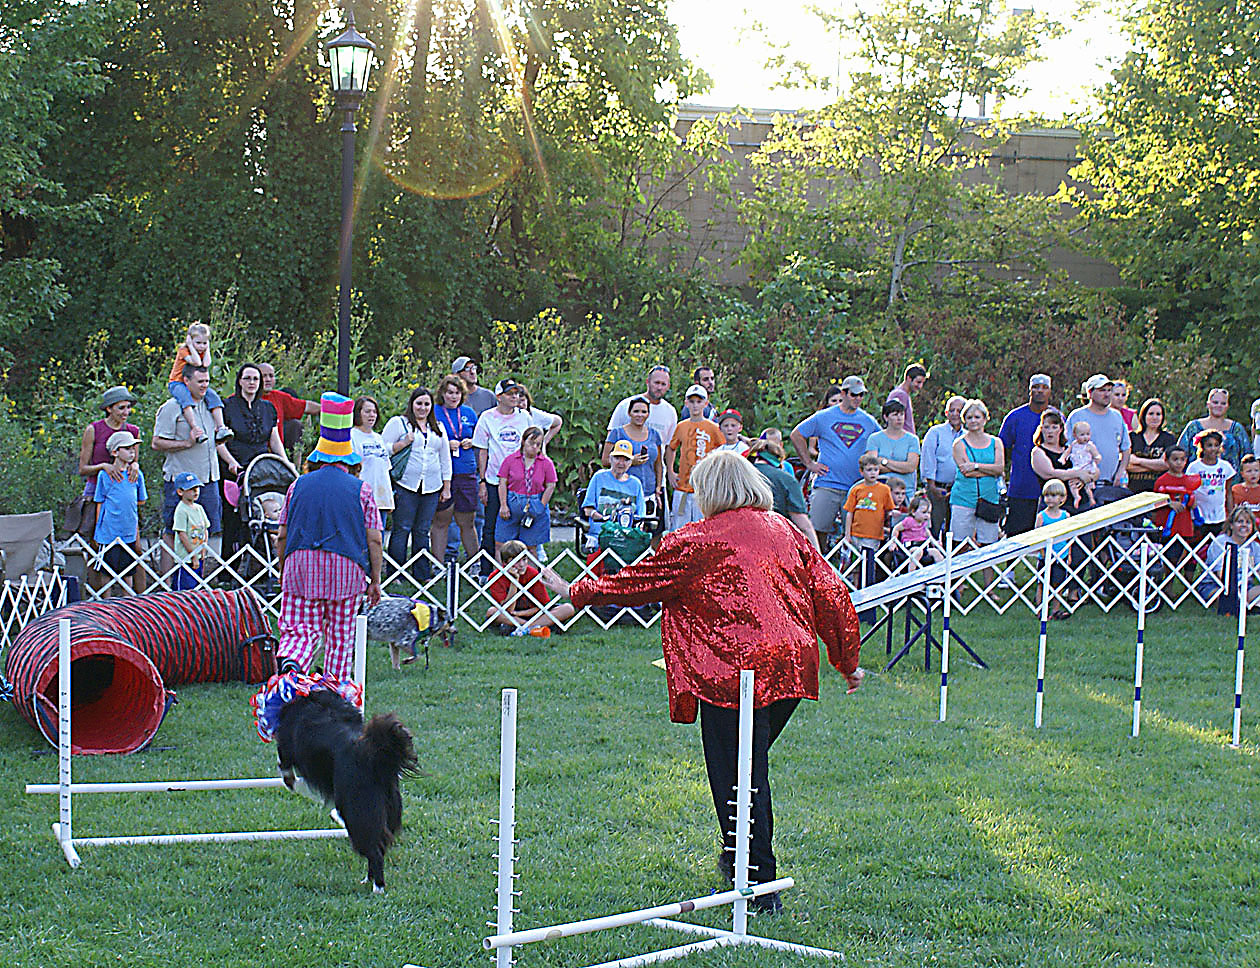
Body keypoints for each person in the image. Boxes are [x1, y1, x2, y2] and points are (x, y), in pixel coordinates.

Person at [537, 451, 864, 913]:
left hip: (735, 670)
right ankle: (739, 866)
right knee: (746, 769)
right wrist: (846, 659)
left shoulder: (697, 539)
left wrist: (576, 590)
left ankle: (757, 886)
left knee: (738, 775)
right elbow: (830, 592)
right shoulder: (785, 530)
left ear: (709, 491)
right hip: (790, 663)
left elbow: (638, 583)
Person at [275, 394, 383, 680]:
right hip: (346, 571)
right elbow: (374, 539)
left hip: (300, 566)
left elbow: (282, 534)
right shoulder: (362, 490)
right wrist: (375, 578)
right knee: (340, 636)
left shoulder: (297, 485)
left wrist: (282, 567)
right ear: (349, 461)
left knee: (299, 629)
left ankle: (293, 667)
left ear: (318, 458)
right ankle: (332, 688)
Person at [153, 365, 230, 576]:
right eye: (200, 381)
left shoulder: (211, 407)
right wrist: (186, 443)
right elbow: (156, 442)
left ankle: (196, 582)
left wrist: (231, 461)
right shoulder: (172, 407)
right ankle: (167, 585)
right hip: (181, 480)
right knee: (173, 530)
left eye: (206, 381)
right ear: (186, 382)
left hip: (209, 479)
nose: (205, 385)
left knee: (203, 530)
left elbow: (216, 443)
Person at [790, 375, 881, 547]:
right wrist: (809, 464)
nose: (858, 399)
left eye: (861, 395)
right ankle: (816, 567)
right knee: (816, 532)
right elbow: (797, 434)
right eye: (854, 395)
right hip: (827, 483)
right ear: (844, 393)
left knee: (855, 536)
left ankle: (852, 573)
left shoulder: (868, 421)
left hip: (856, 487)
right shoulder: (824, 417)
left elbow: (881, 440)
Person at [382, 388, 452, 583]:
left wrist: (446, 486)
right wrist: (403, 443)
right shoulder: (399, 423)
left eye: (426, 404)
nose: (422, 408)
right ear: (412, 404)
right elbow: (383, 448)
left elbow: (445, 458)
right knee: (402, 527)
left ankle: (421, 574)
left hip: (431, 486)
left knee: (422, 530)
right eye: (419, 403)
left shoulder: (437, 427)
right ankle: (396, 573)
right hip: (406, 484)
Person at [220, 363, 292, 553]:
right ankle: (229, 572)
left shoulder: (268, 408)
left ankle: (260, 566)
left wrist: (285, 462)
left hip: (261, 470)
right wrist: (231, 462)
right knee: (234, 522)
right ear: (240, 381)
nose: (252, 383)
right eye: (247, 378)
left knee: (264, 516)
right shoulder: (227, 406)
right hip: (235, 469)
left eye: (255, 379)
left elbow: (274, 439)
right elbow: (219, 442)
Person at [78, 386, 142, 590]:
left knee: (135, 547)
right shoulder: (94, 430)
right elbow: (83, 468)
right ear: (108, 409)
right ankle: (97, 596)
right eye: (121, 408)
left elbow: (134, 461)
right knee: (96, 546)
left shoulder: (132, 431)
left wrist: (136, 465)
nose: (125, 413)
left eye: (128, 408)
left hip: (124, 493)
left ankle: (136, 597)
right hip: (98, 491)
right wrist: (103, 466)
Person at [474, 379, 534, 579]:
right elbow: (482, 451)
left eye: (517, 393)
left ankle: (521, 569)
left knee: (522, 524)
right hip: (493, 479)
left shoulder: (525, 417)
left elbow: (533, 443)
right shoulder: (487, 418)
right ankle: (486, 571)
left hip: (520, 481)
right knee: (490, 525)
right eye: (510, 394)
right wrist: (482, 480)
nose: (515, 397)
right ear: (499, 397)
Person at [92, 430, 147, 596]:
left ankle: (127, 606)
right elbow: (99, 502)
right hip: (108, 531)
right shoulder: (104, 475)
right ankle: (105, 604)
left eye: (133, 448)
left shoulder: (137, 475)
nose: (132, 452)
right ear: (115, 452)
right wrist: (98, 528)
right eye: (127, 448)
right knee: (106, 572)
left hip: (128, 530)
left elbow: (141, 500)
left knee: (128, 570)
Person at [999, 373, 1054, 535]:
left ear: (1050, 392)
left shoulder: (1056, 417)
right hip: (1021, 488)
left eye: (1044, 388)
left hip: (1050, 490)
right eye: (1036, 387)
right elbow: (1002, 449)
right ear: (1029, 390)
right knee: (1016, 536)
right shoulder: (1015, 417)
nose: (1040, 391)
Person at [432, 375, 480, 564]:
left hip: (466, 472)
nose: (453, 396)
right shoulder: (434, 412)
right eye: (450, 392)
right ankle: (437, 565)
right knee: (441, 521)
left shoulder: (468, 413)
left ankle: (474, 564)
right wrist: (445, 443)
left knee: (467, 522)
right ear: (442, 394)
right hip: (443, 473)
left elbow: (480, 437)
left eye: (457, 393)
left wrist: (472, 441)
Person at [602, 396, 664, 536]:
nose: (639, 415)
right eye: (636, 411)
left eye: (643, 412)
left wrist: (658, 488)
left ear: (648, 414)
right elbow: (605, 461)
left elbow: (658, 464)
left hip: (648, 492)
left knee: (647, 532)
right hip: (624, 492)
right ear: (629, 413)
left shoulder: (654, 435)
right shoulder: (617, 433)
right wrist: (630, 462)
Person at [950, 399, 1005, 554]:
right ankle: (957, 577)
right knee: (960, 543)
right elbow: (966, 472)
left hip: (989, 498)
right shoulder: (959, 444)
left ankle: (990, 579)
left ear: (985, 418)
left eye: (977, 417)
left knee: (989, 545)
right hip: (963, 498)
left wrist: (976, 466)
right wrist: (990, 470)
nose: (973, 421)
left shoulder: (996, 442)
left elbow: (1000, 468)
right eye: (969, 417)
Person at [485, 541, 575, 635]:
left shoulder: (532, 573)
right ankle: (535, 627)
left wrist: (520, 614)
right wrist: (514, 582)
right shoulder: (496, 578)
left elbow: (542, 607)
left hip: (533, 613)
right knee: (492, 612)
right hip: (510, 615)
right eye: (517, 561)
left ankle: (525, 628)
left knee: (568, 608)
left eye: (524, 559)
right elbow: (507, 610)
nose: (522, 564)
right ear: (505, 563)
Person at [748, 430, 818, 550]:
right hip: (775, 544)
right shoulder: (786, 479)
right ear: (779, 459)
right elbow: (803, 525)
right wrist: (818, 555)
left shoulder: (738, 476)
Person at [665, 385, 722, 529]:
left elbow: (723, 451)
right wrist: (670, 472)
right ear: (686, 403)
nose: (695, 405)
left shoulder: (713, 428)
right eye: (691, 401)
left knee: (703, 527)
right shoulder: (681, 426)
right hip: (683, 487)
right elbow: (671, 448)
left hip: (704, 488)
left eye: (698, 401)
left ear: (705, 403)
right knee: (679, 527)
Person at [496, 426, 558, 558]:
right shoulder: (510, 460)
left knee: (531, 546)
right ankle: (502, 575)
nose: (534, 447)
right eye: (531, 443)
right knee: (501, 543)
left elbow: (551, 485)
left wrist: (541, 505)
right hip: (513, 500)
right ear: (523, 441)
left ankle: (530, 576)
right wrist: (503, 505)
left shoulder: (546, 463)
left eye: (538, 444)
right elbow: (502, 483)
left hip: (535, 501)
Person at [166, 321, 231, 442]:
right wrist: (190, 346)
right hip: (178, 382)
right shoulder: (184, 350)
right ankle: (195, 428)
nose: (201, 346)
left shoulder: (202, 351)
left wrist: (207, 349)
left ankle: (221, 427)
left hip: (195, 384)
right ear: (190, 340)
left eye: (204, 343)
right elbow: (197, 362)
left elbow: (206, 363)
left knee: (213, 396)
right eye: (198, 343)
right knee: (185, 399)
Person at [1066, 374, 1131, 487]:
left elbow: (1126, 448)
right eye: (1102, 390)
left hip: (1111, 484)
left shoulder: (1117, 416)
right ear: (1090, 393)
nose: (1107, 394)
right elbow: (1067, 447)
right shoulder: (1077, 416)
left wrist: (1120, 473)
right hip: (1085, 484)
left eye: (1109, 390)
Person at [582, 440, 647, 551]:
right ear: (610, 459)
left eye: (626, 460)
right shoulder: (599, 477)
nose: (621, 463)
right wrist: (603, 518)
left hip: (627, 537)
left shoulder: (635, 484)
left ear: (631, 463)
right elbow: (587, 510)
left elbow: (641, 517)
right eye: (617, 458)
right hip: (602, 534)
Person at [1031, 409, 1097, 511]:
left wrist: (1088, 477)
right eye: (1046, 427)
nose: (1050, 431)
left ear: (1061, 429)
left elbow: (1092, 468)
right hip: (1055, 506)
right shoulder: (1038, 452)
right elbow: (1050, 473)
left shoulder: (1070, 449)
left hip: (1080, 503)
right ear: (1041, 429)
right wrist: (1078, 473)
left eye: (1054, 427)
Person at [1178, 387, 1252, 476]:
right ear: (1208, 404)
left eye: (1223, 403)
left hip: (1230, 484)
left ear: (1227, 406)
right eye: (1215, 402)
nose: (1219, 406)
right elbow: (1179, 453)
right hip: (1196, 482)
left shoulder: (1237, 429)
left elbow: (1247, 456)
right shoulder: (1193, 427)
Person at [920, 395, 965, 538]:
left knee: (955, 530)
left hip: (959, 489)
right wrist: (932, 486)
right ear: (946, 413)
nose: (955, 414)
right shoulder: (935, 433)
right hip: (937, 488)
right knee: (934, 525)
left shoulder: (969, 435)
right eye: (952, 410)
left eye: (959, 410)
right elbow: (928, 459)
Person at [1204, 506, 1260, 611]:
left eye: (1248, 522)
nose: (1244, 525)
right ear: (1231, 525)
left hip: (1246, 586)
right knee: (1230, 601)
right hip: (1217, 585)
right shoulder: (1220, 542)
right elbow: (1221, 575)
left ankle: (1248, 604)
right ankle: (1248, 605)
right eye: (1240, 521)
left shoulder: (1255, 547)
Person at [607, 365, 678, 447]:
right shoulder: (625, 405)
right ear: (647, 382)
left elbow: (670, 446)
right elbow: (610, 437)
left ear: (668, 386)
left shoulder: (670, 412)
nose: (659, 387)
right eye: (656, 383)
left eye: (663, 384)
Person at [351, 396, 395, 525]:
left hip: (380, 498)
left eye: (374, 412)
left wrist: (388, 498)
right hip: (362, 497)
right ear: (358, 413)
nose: (372, 415)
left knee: (377, 539)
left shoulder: (378, 438)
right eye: (367, 411)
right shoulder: (352, 436)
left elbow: (385, 469)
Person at [258, 362, 320, 453]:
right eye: (264, 376)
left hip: (277, 453)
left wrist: (332, 408)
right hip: (253, 454)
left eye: (271, 376)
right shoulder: (244, 399)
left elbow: (306, 406)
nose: (268, 379)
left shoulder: (280, 397)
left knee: (296, 425)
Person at [1036, 479, 1074, 619]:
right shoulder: (1041, 517)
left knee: (1058, 585)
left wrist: (1068, 554)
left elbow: (1068, 537)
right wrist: (1043, 554)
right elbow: (1037, 537)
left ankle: (1055, 611)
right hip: (1045, 556)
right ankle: (1040, 610)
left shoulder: (1065, 516)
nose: (1049, 499)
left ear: (1062, 498)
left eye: (1053, 495)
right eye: (1047, 495)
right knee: (1042, 584)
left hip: (1061, 555)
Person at [1186, 429, 1236, 537]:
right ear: (1202, 447)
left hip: (1219, 516)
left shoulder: (1225, 466)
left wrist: (1231, 515)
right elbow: (1189, 491)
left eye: (1216, 445)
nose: (1213, 449)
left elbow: (1228, 492)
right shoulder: (1194, 467)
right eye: (1209, 445)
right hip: (1199, 515)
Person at [865, 398, 920, 493]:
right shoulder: (874, 439)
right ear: (886, 417)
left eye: (901, 414)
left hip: (905, 491)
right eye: (895, 415)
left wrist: (884, 461)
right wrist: (900, 466)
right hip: (880, 489)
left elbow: (911, 467)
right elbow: (871, 466)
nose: (899, 418)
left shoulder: (912, 440)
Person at [844, 454, 895, 554]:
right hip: (856, 533)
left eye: (876, 470)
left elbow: (889, 510)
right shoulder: (856, 489)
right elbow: (849, 512)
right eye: (869, 470)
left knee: (869, 560)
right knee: (854, 561)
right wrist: (847, 534)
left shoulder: (884, 490)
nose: (873, 473)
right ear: (862, 472)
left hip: (874, 534)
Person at [1153, 446, 1201, 548]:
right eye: (1175, 459)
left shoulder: (1189, 480)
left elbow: (1192, 503)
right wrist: (1168, 503)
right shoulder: (1161, 481)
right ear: (1166, 461)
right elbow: (1155, 503)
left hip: (1184, 526)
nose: (1179, 463)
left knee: (1181, 557)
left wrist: (1192, 502)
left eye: (1182, 459)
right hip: (1166, 526)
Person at [1126, 398, 1177, 493]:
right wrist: (1155, 466)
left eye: (1158, 414)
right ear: (1144, 415)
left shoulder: (1168, 438)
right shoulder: (1132, 437)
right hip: (1133, 491)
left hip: (1159, 490)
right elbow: (1126, 464)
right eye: (1151, 414)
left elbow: (1166, 464)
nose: (1154, 417)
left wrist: (1137, 461)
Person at [171, 471, 210, 591]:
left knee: (197, 586)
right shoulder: (181, 510)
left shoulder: (199, 508)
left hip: (199, 554)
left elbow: (205, 529)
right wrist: (192, 555)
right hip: (185, 558)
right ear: (180, 492)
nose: (196, 491)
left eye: (197, 488)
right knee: (184, 588)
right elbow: (181, 534)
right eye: (191, 489)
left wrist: (204, 548)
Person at [890, 493, 943, 569]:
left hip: (923, 546)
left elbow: (927, 532)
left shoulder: (924, 523)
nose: (927, 515)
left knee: (936, 552)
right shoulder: (909, 521)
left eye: (929, 513)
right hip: (910, 547)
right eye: (924, 512)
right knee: (918, 552)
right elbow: (896, 528)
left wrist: (934, 542)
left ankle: (940, 573)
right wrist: (893, 542)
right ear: (913, 512)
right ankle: (912, 573)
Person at [1067, 421, 1104, 510]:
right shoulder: (1074, 445)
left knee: (1088, 485)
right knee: (1072, 483)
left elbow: (1096, 455)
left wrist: (1097, 458)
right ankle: (1076, 496)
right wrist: (1063, 458)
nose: (1085, 437)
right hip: (1077, 467)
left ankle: (1091, 499)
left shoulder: (1089, 446)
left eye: (1087, 434)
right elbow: (1067, 452)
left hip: (1087, 466)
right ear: (1075, 435)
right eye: (1082, 435)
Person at [886, 363, 928, 436]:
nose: (920, 386)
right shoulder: (900, 395)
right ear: (909, 378)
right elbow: (894, 422)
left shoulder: (904, 395)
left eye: (922, 383)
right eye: (918, 382)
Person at [516, 384, 562, 451]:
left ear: (527, 399)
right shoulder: (509, 417)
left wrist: (543, 443)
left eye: (522, 400)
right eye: (517, 402)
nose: (520, 405)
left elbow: (558, 422)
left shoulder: (535, 414)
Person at [1231, 455, 1260, 531]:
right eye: (1249, 471)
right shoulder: (1236, 490)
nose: (1253, 474)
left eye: (1256, 470)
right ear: (1242, 473)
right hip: (1240, 529)